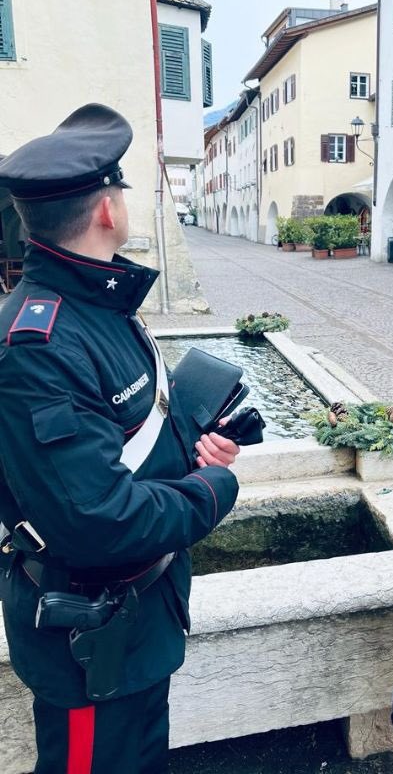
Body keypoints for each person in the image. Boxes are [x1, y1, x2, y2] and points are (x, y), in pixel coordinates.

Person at [0, 103, 241, 773]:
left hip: (135, 614)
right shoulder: (38, 343)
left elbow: (130, 430)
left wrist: (195, 446)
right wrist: (212, 490)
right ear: (108, 209)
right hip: (86, 631)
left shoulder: (98, 305)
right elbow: (96, 520)